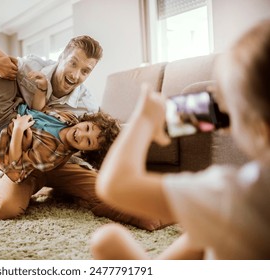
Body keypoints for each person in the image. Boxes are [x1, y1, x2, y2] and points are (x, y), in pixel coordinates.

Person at [0, 4, 168, 230]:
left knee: (104, 191)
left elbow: (94, 142)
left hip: (59, 162)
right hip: (21, 153)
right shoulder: (34, 66)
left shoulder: (86, 107)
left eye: (85, 71)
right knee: (7, 209)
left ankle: (150, 214)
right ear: (61, 56)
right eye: (73, 63)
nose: (75, 74)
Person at [90, 19, 270, 259]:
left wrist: (143, 119)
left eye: (231, 114)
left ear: (261, 130)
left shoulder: (238, 195)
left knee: (108, 240)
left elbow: (114, 186)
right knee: (200, 232)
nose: (225, 128)